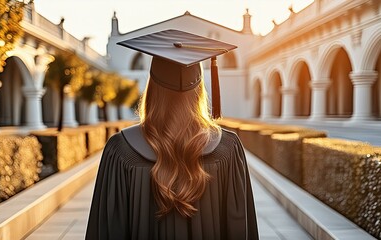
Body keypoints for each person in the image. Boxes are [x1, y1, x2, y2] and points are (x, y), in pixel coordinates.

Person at [85, 29, 259, 240]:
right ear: (199, 90)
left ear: (152, 87)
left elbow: (108, 229)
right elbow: (240, 228)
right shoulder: (227, 148)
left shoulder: (121, 150)